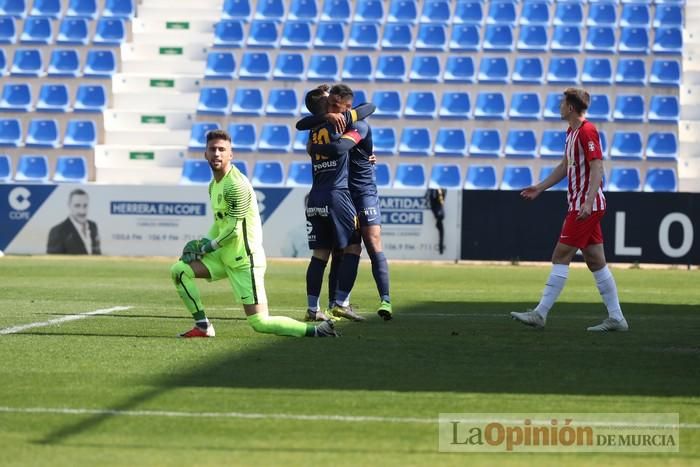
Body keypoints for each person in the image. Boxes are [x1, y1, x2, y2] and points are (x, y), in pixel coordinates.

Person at [171, 129, 337, 338]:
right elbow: (220, 223)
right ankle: (203, 326)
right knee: (179, 270)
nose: (217, 154)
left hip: (244, 261)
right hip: (223, 256)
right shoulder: (214, 185)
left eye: (222, 149)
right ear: (205, 153)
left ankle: (316, 330)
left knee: (260, 322)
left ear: (231, 154)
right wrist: (204, 242)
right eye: (212, 149)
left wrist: (205, 248)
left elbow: (232, 230)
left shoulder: (236, 185)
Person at [510, 87, 629, 332]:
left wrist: (588, 200)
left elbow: (597, 167)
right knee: (596, 261)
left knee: (560, 255)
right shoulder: (571, 132)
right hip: (581, 205)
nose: (559, 106)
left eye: (562, 103)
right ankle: (616, 318)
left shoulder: (587, 131)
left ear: (571, 108)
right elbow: (566, 166)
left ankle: (540, 313)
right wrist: (540, 187)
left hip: (585, 207)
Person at [299, 84, 393, 320]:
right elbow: (334, 143)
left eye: (335, 104)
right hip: (339, 194)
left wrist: (313, 148)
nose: (332, 107)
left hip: (338, 193)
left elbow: (367, 108)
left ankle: (318, 307)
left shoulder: (329, 127)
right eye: (328, 103)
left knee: (339, 250)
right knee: (347, 248)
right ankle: (338, 303)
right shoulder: (326, 124)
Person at [47, 188, 101, 255]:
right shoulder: (57, 231)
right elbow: (53, 261)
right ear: (69, 206)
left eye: (85, 206)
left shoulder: (93, 226)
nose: (82, 211)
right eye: (77, 206)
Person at [427, 188, 446, 255]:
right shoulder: (436, 190)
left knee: (441, 230)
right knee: (441, 230)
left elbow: (441, 200)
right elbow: (439, 200)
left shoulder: (438, 191)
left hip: (438, 210)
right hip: (437, 209)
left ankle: (441, 248)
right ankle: (440, 249)